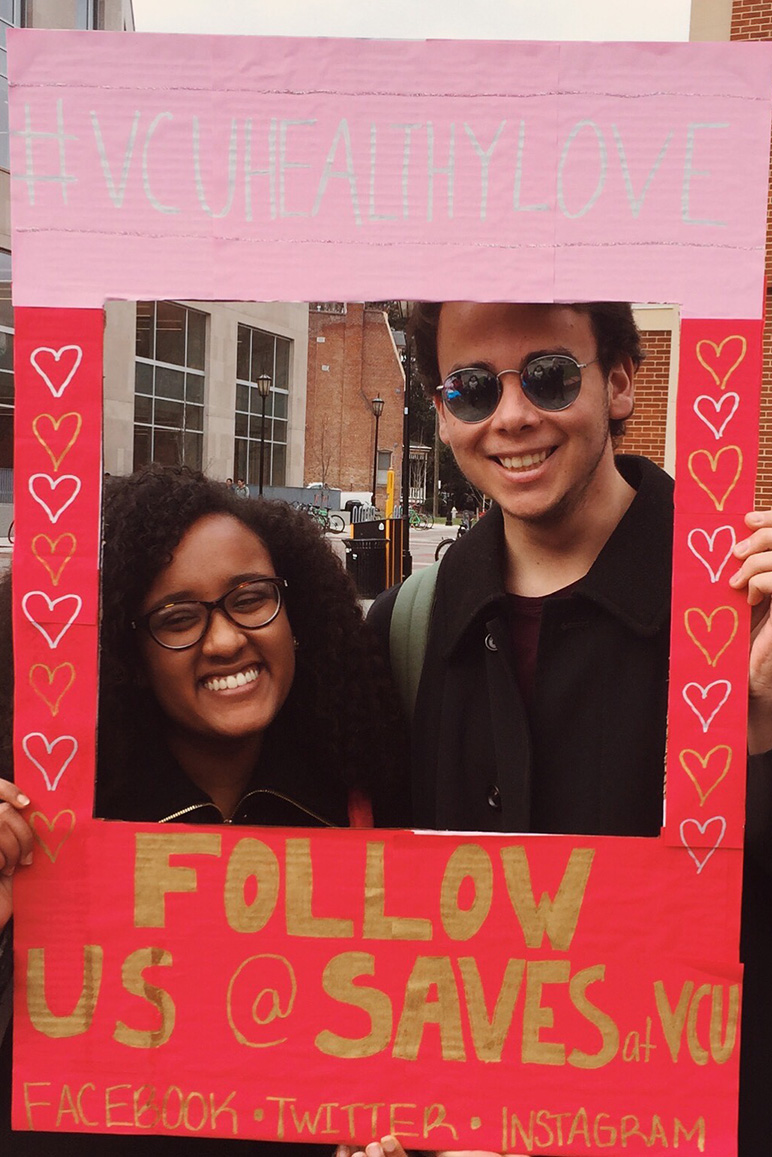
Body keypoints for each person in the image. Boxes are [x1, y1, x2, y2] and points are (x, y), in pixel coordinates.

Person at [367, 301, 772, 1157]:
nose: (511, 416)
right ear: (442, 415)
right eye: (471, 389)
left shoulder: (738, 610)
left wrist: (764, 740)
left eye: (549, 375)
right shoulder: (407, 627)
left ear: (621, 381)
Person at [0, 464, 407, 1154]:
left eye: (251, 598)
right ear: (127, 653)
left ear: (297, 611)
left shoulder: (365, 808)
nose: (225, 640)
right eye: (178, 618)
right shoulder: (52, 835)